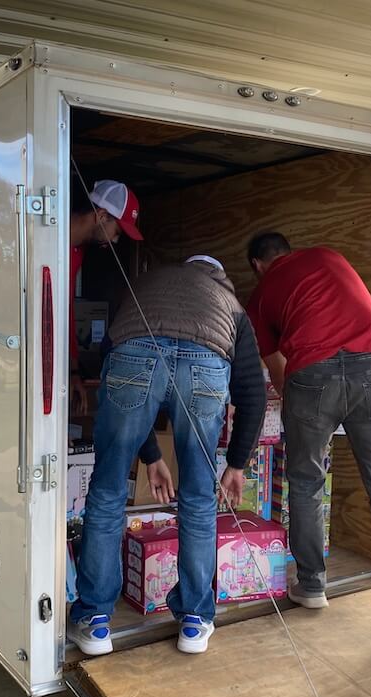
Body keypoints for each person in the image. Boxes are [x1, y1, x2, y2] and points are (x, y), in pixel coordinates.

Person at [69, 256, 267, 656]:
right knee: (197, 500)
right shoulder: (230, 304)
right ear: (219, 277)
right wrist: (237, 464)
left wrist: (149, 455)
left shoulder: (145, 284)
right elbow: (253, 394)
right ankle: (194, 622)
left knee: (107, 492)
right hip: (205, 365)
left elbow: (115, 369)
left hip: (134, 354)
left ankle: (94, 621)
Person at [246, 232, 371, 641]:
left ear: (257, 265)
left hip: (312, 373)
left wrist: (297, 406)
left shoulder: (261, 297)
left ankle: (311, 585)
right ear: (288, 251)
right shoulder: (329, 254)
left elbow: (278, 369)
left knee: (307, 482)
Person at [69, 179, 143, 415]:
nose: (114, 240)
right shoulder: (46, 240)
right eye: (117, 232)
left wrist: (72, 373)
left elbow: (65, 315)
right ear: (102, 216)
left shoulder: (78, 252)